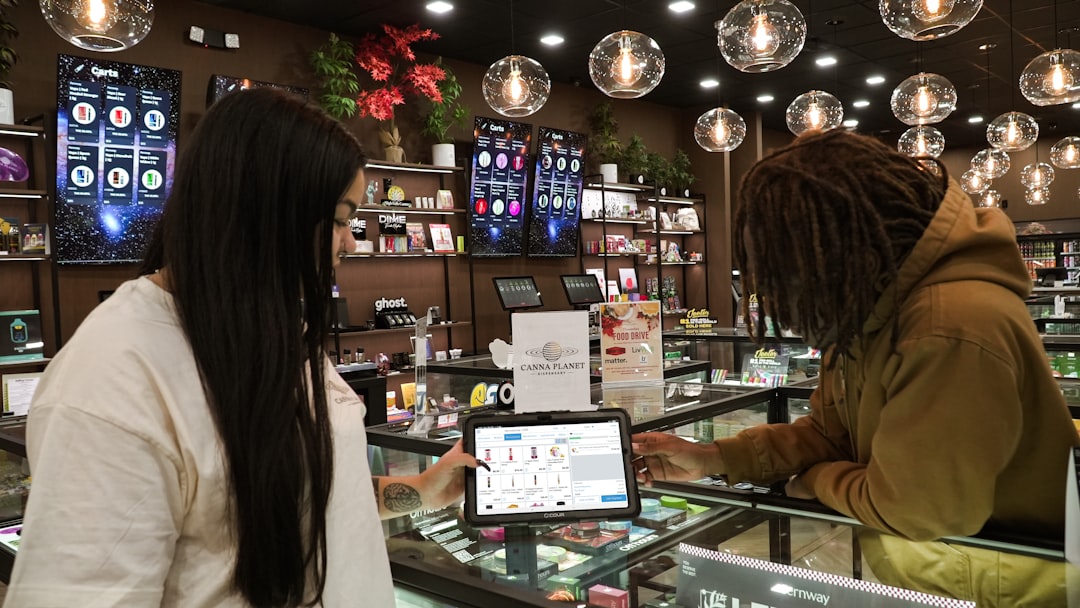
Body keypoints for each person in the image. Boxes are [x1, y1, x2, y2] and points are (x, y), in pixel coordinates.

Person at [5, 88, 477, 607]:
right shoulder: (115, 377)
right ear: (270, 210)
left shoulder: (268, 327)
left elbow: (307, 488)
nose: (349, 243)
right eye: (341, 220)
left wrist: (423, 489)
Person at [633, 130, 1079, 605]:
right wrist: (716, 458)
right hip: (943, 574)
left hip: (1003, 584)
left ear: (838, 249)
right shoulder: (868, 308)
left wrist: (817, 480)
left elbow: (921, 509)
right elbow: (831, 432)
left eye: (781, 267)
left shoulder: (947, 325)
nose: (770, 291)